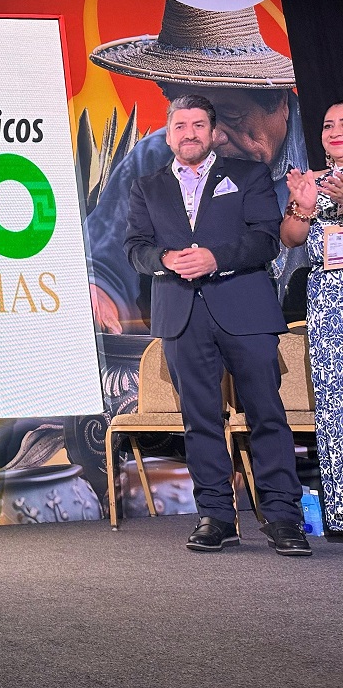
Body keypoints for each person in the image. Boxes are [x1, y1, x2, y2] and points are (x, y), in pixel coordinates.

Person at [125, 93, 309, 555]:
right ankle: (216, 517)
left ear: (212, 132)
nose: (189, 134)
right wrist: (165, 259)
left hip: (245, 309)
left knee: (267, 414)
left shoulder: (248, 175)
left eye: (198, 125)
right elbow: (135, 248)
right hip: (181, 314)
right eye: (180, 125)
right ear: (169, 134)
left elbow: (267, 240)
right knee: (200, 420)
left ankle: (283, 517)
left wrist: (215, 258)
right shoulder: (146, 186)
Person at [86, 0, 307, 334]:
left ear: (280, 101)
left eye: (231, 116)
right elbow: (103, 266)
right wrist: (98, 295)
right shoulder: (153, 159)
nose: (210, 138)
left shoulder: (326, 149)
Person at [281, 101, 343, 532]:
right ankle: (339, 512)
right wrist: (303, 205)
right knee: (334, 403)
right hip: (327, 299)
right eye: (327, 125)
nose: (334, 131)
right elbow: (290, 238)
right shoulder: (312, 180)